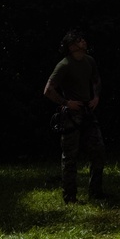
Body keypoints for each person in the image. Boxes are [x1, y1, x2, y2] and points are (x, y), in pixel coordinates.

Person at [43, 29, 106, 204]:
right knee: (70, 157)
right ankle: (70, 197)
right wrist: (66, 102)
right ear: (72, 46)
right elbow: (48, 90)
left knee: (98, 151)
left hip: (87, 112)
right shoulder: (64, 65)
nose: (84, 42)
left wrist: (96, 97)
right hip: (71, 116)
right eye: (80, 40)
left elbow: (96, 79)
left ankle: (96, 192)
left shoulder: (89, 61)